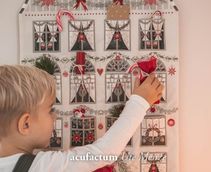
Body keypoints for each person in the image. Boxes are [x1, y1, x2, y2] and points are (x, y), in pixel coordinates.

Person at [0, 65, 163, 172]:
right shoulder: (41, 167)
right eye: (50, 110)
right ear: (25, 124)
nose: (55, 116)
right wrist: (140, 102)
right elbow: (102, 153)